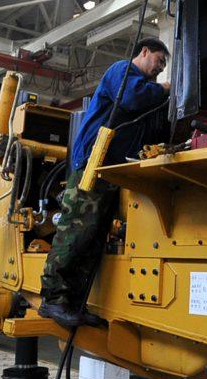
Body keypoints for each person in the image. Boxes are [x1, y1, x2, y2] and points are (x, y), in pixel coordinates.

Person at [39, 38, 171, 328]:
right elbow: (132, 98)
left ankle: (74, 304)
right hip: (92, 164)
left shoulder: (147, 91)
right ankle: (52, 299)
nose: (159, 69)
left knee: (94, 238)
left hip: (113, 169)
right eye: (158, 61)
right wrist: (165, 89)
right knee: (75, 231)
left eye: (163, 67)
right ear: (144, 52)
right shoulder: (122, 71)